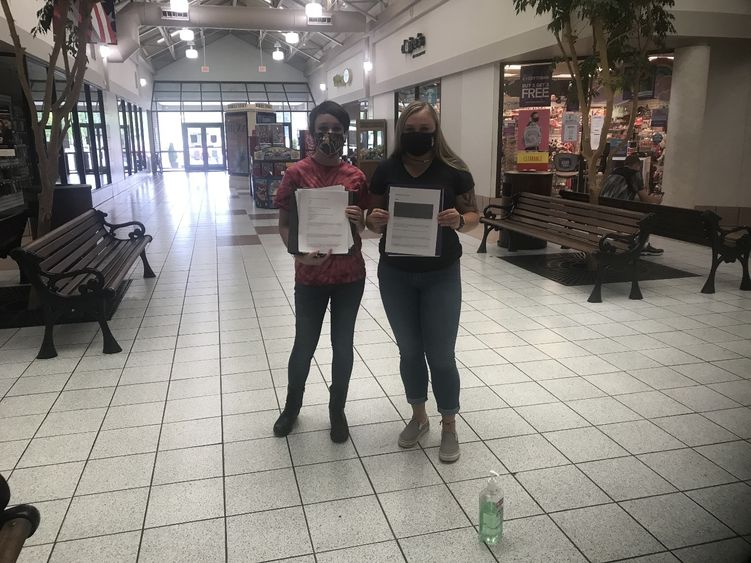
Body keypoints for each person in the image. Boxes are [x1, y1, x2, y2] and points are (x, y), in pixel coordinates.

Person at [366, 101, 480, 463]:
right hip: (396, 273)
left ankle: (449, 423)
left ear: (436, 131)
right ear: (402, 132)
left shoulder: (454, 169)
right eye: (411, 130)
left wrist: (460, 221)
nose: (418, 136)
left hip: (441, 274)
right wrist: (375, 220)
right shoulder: (386, 170)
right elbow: (370, 218)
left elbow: (474, 213)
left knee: (442, 355)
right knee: (410, 351)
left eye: (425, 130)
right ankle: (419, 417)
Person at [272, 101, 368, 443]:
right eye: (323, 129)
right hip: (310, 276)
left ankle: (336, 409)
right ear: (312, 133)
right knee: (304, 344)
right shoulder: (295, 174)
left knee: (343, 346)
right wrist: (295, 251)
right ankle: (291, 407)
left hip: (349, 276)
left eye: (337, 131)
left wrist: (361, 219)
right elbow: (284, 225)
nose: (330, 135)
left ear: (345, 134)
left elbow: (366, 222)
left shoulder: (356, 176)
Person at [601, 154, 664, 255]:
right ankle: (643, 245)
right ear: (637, 165)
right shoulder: (634, 174)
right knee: (647, 215)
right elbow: (645, 199)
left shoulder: (614, 172)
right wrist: (657, 200)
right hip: (619, 213)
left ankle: (630, 241)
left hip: (605, 211)